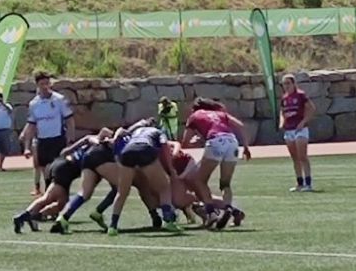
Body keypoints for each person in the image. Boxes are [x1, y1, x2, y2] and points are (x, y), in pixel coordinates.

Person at [182, 97, 251, 230]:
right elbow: (241, 126)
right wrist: (246, 147)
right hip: (232, 142)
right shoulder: (221, 114)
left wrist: (197, 141)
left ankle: (211, 213)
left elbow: (185, 142)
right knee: (225, 183)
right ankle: (229, 209)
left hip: (215, 142)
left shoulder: (194, 116)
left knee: (199, 181)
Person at [104, 120, 181, 236]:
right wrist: (170, 169)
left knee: (122, 192)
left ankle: (113, 226)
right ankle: (168, 220)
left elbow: (126, 143)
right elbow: (165, 150)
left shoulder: (136, 131)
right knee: (164, 187)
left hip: (126, 153)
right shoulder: (158, 132)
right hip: (145, 150)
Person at [12, 137, 91, 233]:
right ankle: (29, 217)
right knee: (57, 202)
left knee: (53, 200)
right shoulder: (96, 149)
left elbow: (65, 151)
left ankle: (29, 216)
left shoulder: (86, 145)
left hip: (57, 164)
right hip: (65, 170)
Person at [19, 73, 74, 196]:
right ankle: (49, 197)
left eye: (47, 83)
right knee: (45, 171)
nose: (45, 86)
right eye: (42, 84)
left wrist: (70, 140)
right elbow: (31, 126)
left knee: (58, 169)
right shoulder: (34, 104)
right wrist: (27, 147)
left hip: (57, 139)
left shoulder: (59, 100)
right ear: (37, 85)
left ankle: (58, 196)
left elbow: (69, 120)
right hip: (43, 141)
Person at [280, 73, 316, 192]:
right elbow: (282, 112)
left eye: (288, 83)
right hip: (289, 130)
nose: (286, 86)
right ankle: (299, 183)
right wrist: (282, 122)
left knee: (302, 156)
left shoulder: (301, 95)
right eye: (284, 84)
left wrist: (304, 121)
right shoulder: (284, 98)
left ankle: (308, 183)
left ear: (294, 83)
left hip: (300, 129)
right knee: (294, 158)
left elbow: (311, 108)